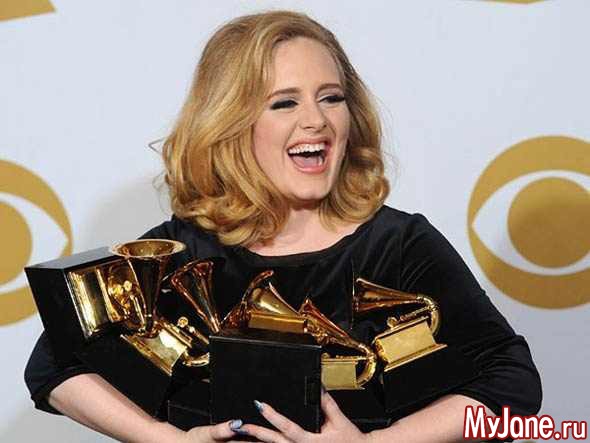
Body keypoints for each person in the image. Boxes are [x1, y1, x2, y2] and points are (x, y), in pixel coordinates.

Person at [25, 10, 542, 443]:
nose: (316, 120)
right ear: (231, 123)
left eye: (331, 97)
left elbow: (512, 382)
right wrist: (166, 440)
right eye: (284, 102)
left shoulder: (401, 245)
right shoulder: (182, 250)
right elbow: (54, 365)